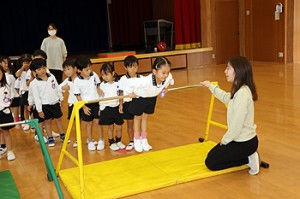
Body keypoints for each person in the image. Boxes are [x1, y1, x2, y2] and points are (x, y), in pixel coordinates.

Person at [200, 56, 260, 175]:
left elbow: (236, 127)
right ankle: (246, 156)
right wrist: (210, 86)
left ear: (237, 71)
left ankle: (249, 159)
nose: (225, 71)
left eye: (228, 68)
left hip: (245, 142)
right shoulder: (238, 90)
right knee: (211, 156)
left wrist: (224, 141)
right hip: (238, 139)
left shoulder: (242, 94)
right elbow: (225, 97)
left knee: (211, 163)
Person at [126, 56, 174, 152]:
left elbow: (170, 80)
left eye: (167, 72)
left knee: (145, 118)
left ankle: (144, 139)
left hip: (151, 98)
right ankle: (137, 140)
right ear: (155, 72)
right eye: (163, 73)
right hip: (140, 98)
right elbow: (129, 83)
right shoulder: (145, 81)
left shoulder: (168, 77)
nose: (166, 75)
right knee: (137, 118)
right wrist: (129, 93)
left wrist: (165, 89)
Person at [29, 58, 67, 147]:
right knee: (47, 122)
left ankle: (62, 135)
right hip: (45, 105)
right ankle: (50, 137)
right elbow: (36, 98)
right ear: (34, 72)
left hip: (55, 102)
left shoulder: (51, 77)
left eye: (43, 68)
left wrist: (60, 98)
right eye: (39, 69)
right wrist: (39, 110)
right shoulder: (34, 83)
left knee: (59, 119)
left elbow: (57, 87)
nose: (42, 70)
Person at [73, 56, 104, 151]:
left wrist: (99, 90)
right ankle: (90, 141)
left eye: (90, 68)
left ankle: (101, 140)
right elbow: (78, 96)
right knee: (89, 124)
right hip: (86, 104)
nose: (89, 71)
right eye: (86, 70)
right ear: (79, 70)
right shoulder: (77, 81)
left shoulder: (94, 75)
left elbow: (98, 84)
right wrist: (84, 107)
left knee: (98, 122)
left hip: (96, 102)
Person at [99, 63, 125, 151]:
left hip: (116, 107)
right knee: (110, 127)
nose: (104, 77)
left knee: (119, 127)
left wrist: (121, 105)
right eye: (102, 75)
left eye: (106, 74)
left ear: (113, 73)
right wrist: (100, 109)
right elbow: (101, 98)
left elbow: (121, 94)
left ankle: (118, 141)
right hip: (107, 108)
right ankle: (111, 142)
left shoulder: (118, 83)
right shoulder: (102, 85)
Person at [119, 55, 141, 150]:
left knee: (139, 122)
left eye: (135, 66)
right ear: (125, 67)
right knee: (130, 123)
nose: (133, 69)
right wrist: (121, 104)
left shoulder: (141, 78)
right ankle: (132, 141)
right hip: (127, 103)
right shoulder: (123, 79)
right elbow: (120, 92)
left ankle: (138, 140)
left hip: (138, 102)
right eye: (130, 67)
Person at [59, 58, 79, 148]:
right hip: (73, 105)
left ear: (75, 68)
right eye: (64, 70)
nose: (66, 72)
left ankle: (89, 139)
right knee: (75, 123)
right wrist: (63, 88)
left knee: (88, 123)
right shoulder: (68, 80)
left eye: (68, 69)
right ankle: (77, 139)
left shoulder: (80, 78)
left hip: (82, 103)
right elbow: (58, 88)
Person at [0, 65, 16, 160]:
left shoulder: (6, 87)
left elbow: (11, 97)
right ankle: (2, 146)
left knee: (6, 132)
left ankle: (10, 151)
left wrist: (6, 106)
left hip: (4, 112)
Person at [0, 56, 20, 129]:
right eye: (4, 63)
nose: (6, 64)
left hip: (12, 95)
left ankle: (16, 122)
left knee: (15, 109)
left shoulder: (10, 74)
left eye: (7, 63)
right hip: (3, 101)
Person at [15, 53, 32, 131]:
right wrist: (22, 68)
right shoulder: (20, 71)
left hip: (31, 91)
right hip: (24, 92)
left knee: (31, 108)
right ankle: (27, 122)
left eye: (27, 62)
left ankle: (32, 122)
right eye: (24, 62)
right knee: (25, 108)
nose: (26, 64)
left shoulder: (32, 71)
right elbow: (17, 74)